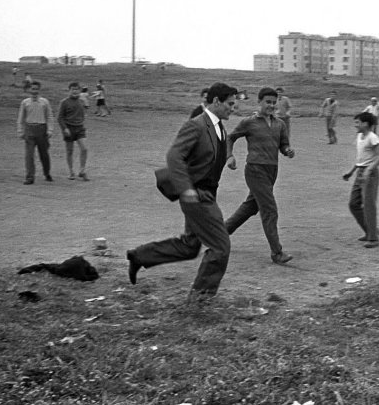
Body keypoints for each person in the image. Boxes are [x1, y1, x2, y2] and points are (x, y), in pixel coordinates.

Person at [126, 82, 239, 301]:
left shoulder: (219, 128)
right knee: (221, 246)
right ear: (216, 101)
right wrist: (186, 189)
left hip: (206, 193)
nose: (233, 108)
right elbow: (174, 156)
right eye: (230, 104)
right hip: (197, 195)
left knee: (189, 246)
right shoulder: (196, 125)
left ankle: (139, 256)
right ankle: (199, 299)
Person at [224, 87, 296, 265]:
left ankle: (219, 234)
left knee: (250, 207)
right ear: (260, 102)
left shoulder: (280, 124)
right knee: (269, 210)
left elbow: (283, 145)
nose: (271, 105)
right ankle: (276, 253)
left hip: (272, 171)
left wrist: (287, 151)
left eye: (274, 102)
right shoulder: (249, 122)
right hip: (255, 170)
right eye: (268, 102)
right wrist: (229, 156)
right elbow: (230, 138)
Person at [342, 112, 379, 248]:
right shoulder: (360, 136)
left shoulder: (372, 138)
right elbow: (361, 158)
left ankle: (373, 238)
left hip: (370, 174)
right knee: (354, 204)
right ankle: (370, 230)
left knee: (368, 205)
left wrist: (369, 170)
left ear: (365, 124)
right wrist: (351, 172)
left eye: (358, 122)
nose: (355, 125)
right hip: (361, 173)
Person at [16, 80, 54, 184]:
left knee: (44, 154)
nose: (34, 91)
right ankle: (30, 176)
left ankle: (47, 173)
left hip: (42, 129)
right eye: (33, 89)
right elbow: (21, 118)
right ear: (29, 90)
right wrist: (20, 131)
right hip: (29, 129)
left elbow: (49, 116)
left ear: (39, 90)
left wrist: (50, 130)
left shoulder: (44, 102)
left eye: (36, 89)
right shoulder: (25, 102)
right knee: (29, 155)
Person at [58, 82, 89, 181]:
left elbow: (84, 112)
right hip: (69, 128)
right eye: (73, 89)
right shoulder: (64, 102)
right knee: (69, 151)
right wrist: (65, 128)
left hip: (80, 128)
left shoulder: (82, 101)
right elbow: (60, 117)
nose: (75, 91)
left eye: (77, 89)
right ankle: (71, 172)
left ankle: (82, 170)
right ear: (69, 91)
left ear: (80, 90)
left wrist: (81, 120)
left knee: (84, 149)